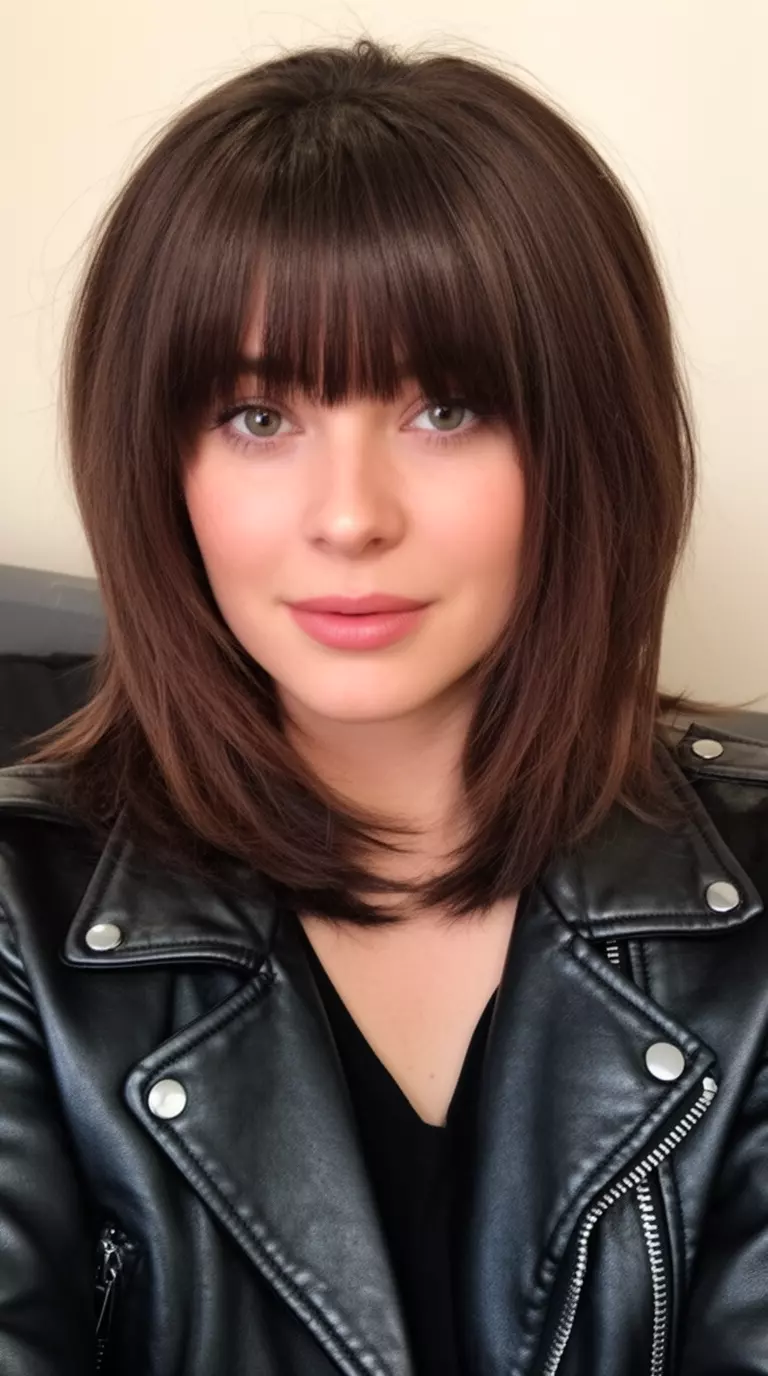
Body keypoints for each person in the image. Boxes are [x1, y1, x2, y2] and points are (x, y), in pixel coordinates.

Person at [0, 34, 766, 1376]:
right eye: (255, 415)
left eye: (448, 408)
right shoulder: (19, 918)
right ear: (157, 461)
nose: (350, 517)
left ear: (585, 442)